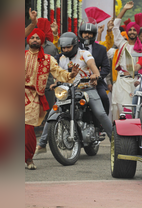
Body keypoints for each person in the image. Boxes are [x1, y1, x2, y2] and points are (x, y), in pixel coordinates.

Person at [35, 32, 113, 155]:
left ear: (75, 45)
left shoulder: (85, 54)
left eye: (68, 47)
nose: (65, 50)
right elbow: (59, 74)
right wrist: (55, 83)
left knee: (100, 113)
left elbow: (93, 66)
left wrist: (95, 75)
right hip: (68, 91)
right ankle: (42, 144)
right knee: (52, 114)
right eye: (63, 48)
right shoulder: (60, 58)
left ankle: (115, 141)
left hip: (87, 89)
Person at [25, 15, 79, 169]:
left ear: (41, 41)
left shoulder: (48, 59)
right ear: (28, 40)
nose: (35, 39)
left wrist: (71, 75)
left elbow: (59, 73)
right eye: (32, 37)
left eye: (37, 38)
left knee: (28, 128)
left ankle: (29, 159)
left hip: (34, 97)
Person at [112, 1, 142, 120]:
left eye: (135, 30)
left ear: (137, 32)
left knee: (134, 110)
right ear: (127, 32)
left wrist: (140, 78)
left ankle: (133, 135)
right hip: (122, 81)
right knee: (121, 110)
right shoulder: (122, 44)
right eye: (130, 30)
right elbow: (115, 26)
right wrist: (124, 10)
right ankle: (120, 134)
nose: (132, 32)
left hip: (136, 81)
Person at [78, 21, 111, 116]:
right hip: (77, 81)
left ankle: (103, 123)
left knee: (104, 97)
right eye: (85, 33)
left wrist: (98, 77)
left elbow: (106, 67)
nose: (87, 35)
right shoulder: (75, 47)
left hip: (96, 81)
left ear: (94, 35)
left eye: (90, 33)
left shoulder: (101, 49)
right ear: (81, 34)